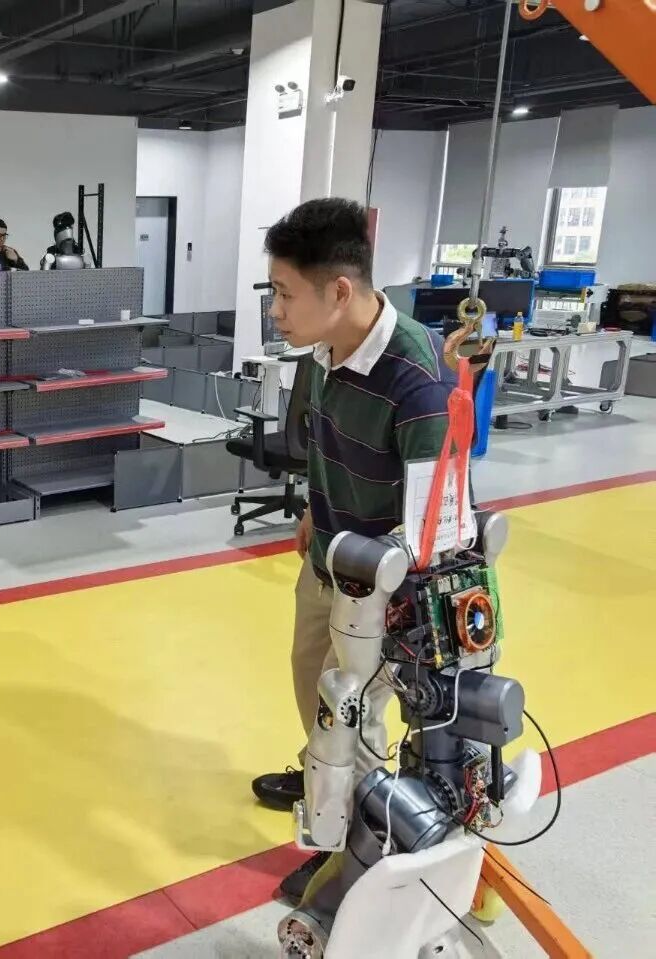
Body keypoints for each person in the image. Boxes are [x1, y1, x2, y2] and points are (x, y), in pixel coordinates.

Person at [247, 198, 457, 904]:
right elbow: (322, 435)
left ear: (339, 290)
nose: (275, 310)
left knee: (358, 717)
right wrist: (315, 506)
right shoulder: (323, 350)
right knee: (317, 688)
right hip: (328, 561)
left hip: (383, 589)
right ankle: (324, 779)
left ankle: (355, 855)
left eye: (285, 294)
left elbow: (432, 522)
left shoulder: (417, 378)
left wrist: (385, 593)